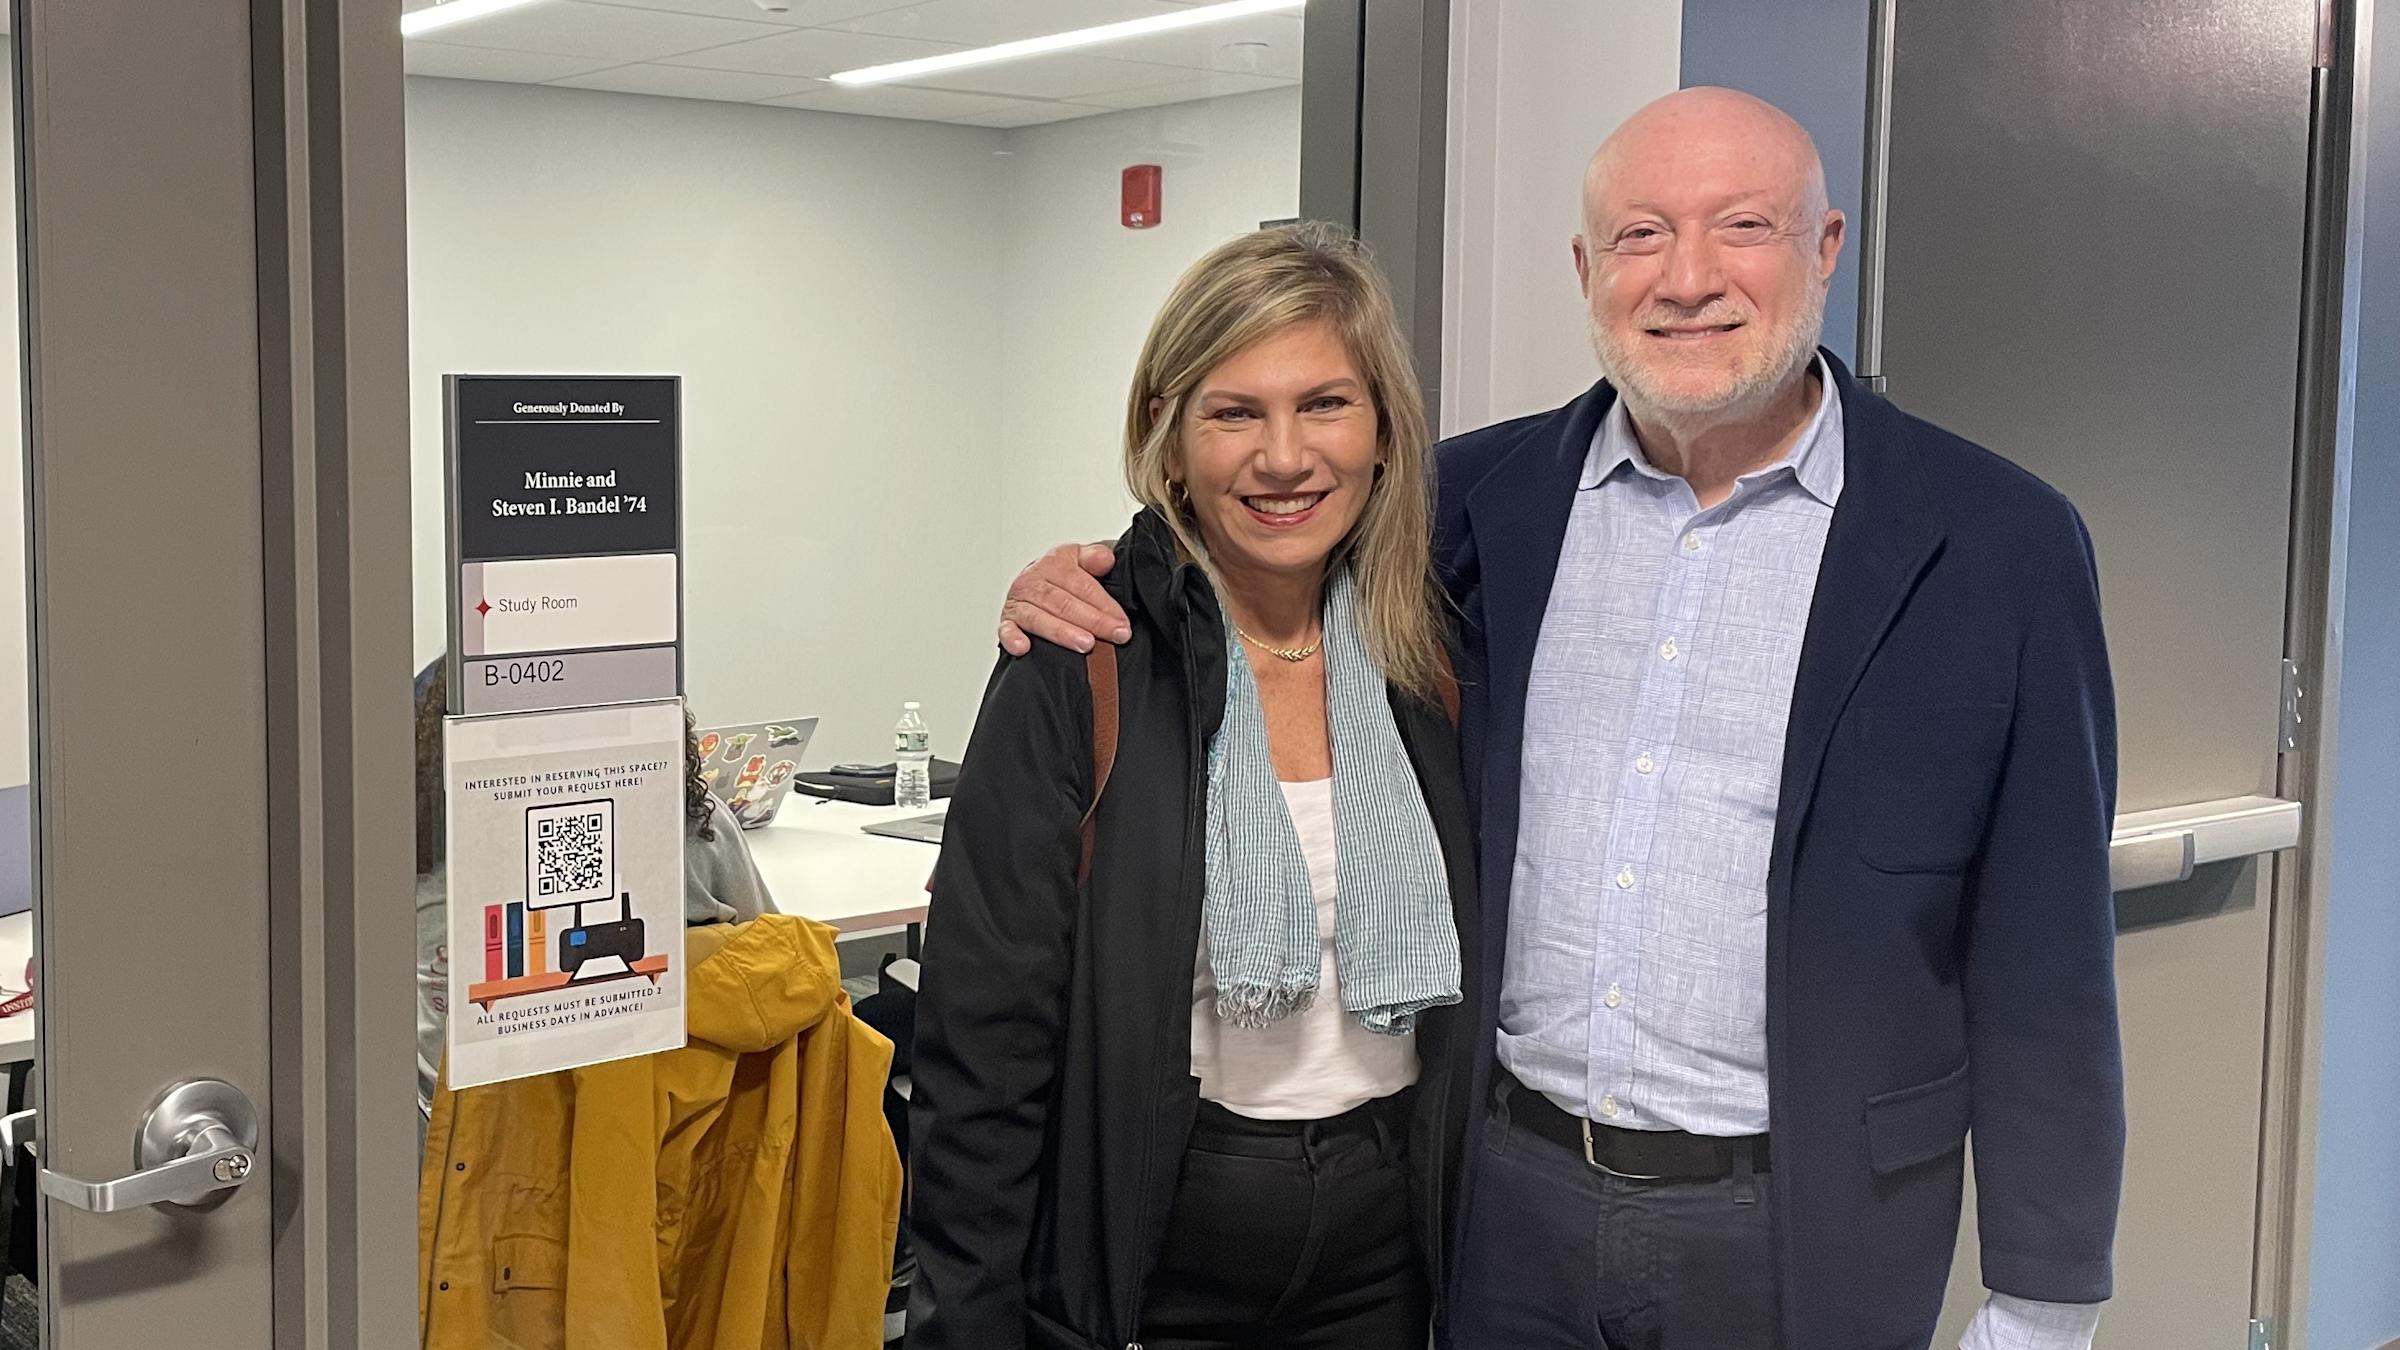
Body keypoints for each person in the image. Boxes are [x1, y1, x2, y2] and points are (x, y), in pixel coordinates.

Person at [997, 88, 2124, 1350]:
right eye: (1641, 235)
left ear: (1826, 247)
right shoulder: (1472, 507)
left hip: (1804, 1228)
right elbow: (1249, 543)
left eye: (1741, 225)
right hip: (1501, 1208)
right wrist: (1088, 580)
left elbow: (2049, 952)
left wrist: (2042, 1301)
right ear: (1588, 270)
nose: (1686, 277)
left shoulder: (1998, 544)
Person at [908, 222, 1483, 1350]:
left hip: (1387, 1250)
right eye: (1235, 412)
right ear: (1170, 441)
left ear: (1382, 434)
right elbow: (980, 1047)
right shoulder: (1082, 663)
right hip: (1159, 1260)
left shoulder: (1436, 653)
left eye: (1325, 403)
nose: (1284, 456)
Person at [411, 659, 777, 1121]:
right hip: (675, 1140)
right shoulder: (694, 832)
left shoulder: (421, 855)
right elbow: (774, 965)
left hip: (472, 1157)